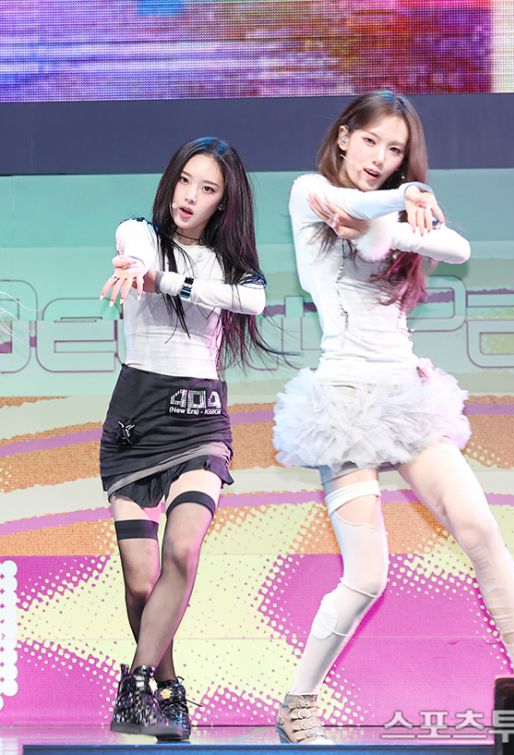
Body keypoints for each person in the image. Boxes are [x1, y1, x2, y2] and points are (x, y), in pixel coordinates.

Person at [273, 90, 514, 745]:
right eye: (370, 141)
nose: (379, 158)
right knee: (367, 576)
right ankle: (298, 702)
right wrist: (401, 199)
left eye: (394, 151)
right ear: (344, 136)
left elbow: (458, 246)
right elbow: (355, 214)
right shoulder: (309, 193)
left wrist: (400, 212)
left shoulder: (387, 213)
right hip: (344, 404)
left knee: (480, 529)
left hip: (405, 396)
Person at [99, 136, 270, 740]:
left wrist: (167, 282)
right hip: (135, 420)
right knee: (140, 580)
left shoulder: (229, 265)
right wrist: (136, 268)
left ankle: (135, 685)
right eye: (184, 181)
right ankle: (168, 690)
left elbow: (253, 300)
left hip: (199, 420)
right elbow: (133, 251)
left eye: (207, 188)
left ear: (224, 202)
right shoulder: (140, 233)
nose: (190, 196)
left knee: (182, 550)